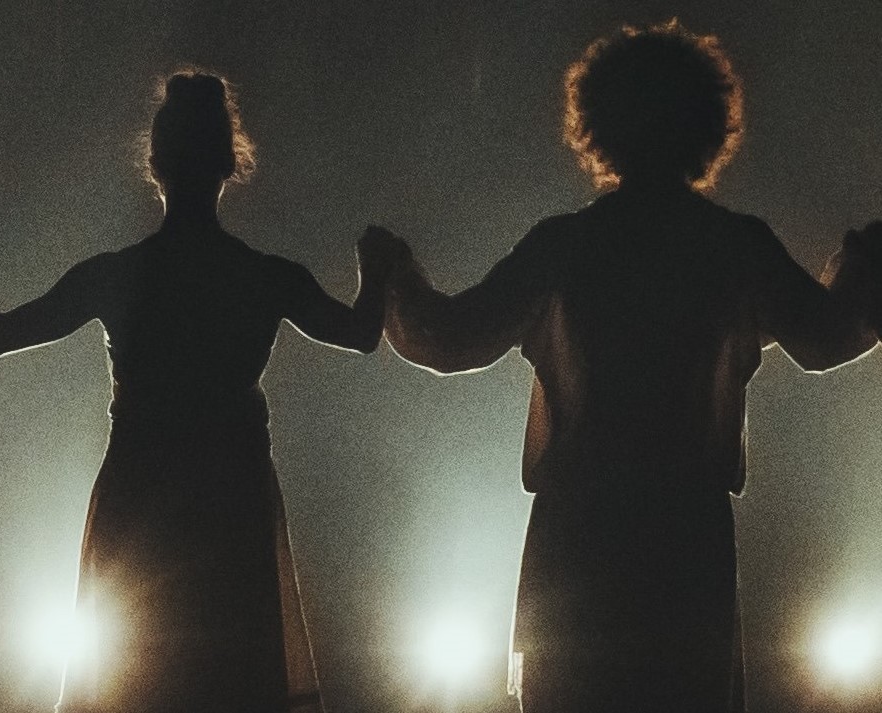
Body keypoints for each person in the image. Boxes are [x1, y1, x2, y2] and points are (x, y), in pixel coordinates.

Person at [371, 22, 877, 713]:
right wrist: (864, 266)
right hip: (685, 540)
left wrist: (396, 276)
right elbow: (827, 337)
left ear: (600, 123)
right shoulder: (736, 246)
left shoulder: (564, 246)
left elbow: (449, 338)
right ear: (706, 124)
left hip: (581, 535)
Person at [0, 71, 397, 713]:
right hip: (229, 506)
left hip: (141, 503)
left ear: (156, 165)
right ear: (228, 165)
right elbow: (361, 333)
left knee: (141, 679)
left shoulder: (117, 275)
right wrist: (376, 267)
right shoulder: (264, 277)